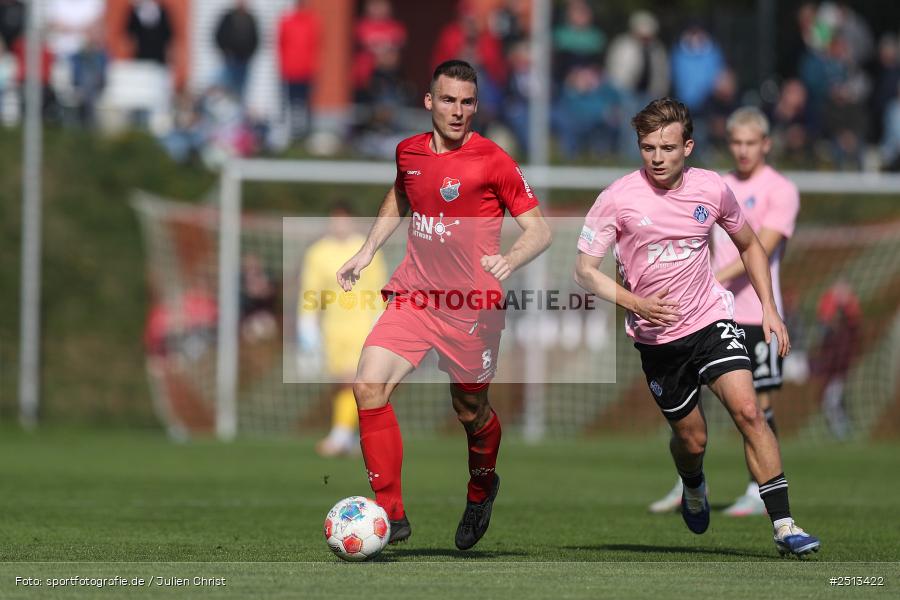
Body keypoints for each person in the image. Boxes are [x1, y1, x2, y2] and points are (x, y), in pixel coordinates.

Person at [573, 97, 819, 556]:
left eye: (667, 147)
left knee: (749, 411)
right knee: (692, 439)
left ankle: (785, 525)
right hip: (659, 341)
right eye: (648, 147)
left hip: (711, 320)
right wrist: (636, 303)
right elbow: (584, 270)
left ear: (688, 146)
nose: (657, 157)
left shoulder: (711, 189)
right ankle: (693, 484)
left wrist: (768, 307)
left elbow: (749, 245)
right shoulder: (617, 197)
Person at [336, 60, 551, 549]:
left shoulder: (492, 159)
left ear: (476, 106)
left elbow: (540, 230)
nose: (458, 111)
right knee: (368, 385)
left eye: (468, 102)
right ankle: (390, 514)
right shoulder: (408, 151)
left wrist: (509, 260)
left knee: (470, 410)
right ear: (429, 101)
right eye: (449, 100)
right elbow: (400, 195)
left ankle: (481, 488)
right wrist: (367, 250)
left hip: (472, 308)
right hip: (415, 294)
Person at [648, 107, 801, 517]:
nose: (744, 150)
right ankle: (689, 482)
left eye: (752, 143)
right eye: (737, 142)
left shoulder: (781, 189)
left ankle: (758, 489)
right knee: (692, 418)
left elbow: (761, 246)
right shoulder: (717, 185)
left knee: (757, 407)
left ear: (766, 144)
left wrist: (709, 276)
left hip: (756, 313)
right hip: (713, 313)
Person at [298, 201, 386, 457]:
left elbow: (379, 287)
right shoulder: (317, 252)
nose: (339, 224)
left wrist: (379, 319)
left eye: (344, 219)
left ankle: (339, 437)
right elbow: (311, 291)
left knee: (352, 380)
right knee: (341, 384)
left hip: (361, 325)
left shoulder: (367, 249)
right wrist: (307, 325)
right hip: (332, 329)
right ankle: (354, 437)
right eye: (335, 219)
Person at [277, 0, 321, 140]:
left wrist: (315, 66)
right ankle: (289, 133)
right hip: (290, 70)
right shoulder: (286, 21)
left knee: (306, 103)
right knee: (290, 103)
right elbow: (281, 44)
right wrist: (283, 67)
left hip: (307, 70)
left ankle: (305, 133)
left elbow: (316, 45)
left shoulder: (312, 21)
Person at [213, 0, 259, 103]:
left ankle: (238, 116)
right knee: (227, 89)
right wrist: (226, 52)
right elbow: (218, 36)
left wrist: (249, 54)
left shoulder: (250, 19)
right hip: (230, 61)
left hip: (244, 62)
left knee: (241, 91)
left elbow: (256, 40)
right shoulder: (228, 17)